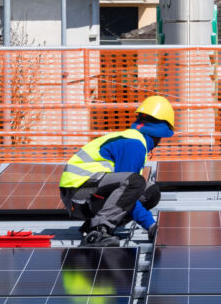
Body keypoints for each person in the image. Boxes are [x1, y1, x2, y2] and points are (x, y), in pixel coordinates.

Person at [58, 96, 176, 247]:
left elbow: (127, 194)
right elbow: (129, 190)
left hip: (84, 192)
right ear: (160, 134)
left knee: (150, 192)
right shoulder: (134, 145)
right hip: (78, 194)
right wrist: (151, 225)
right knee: (135, 183)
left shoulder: (133, 139)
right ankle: (99, 230)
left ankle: (94, 225)